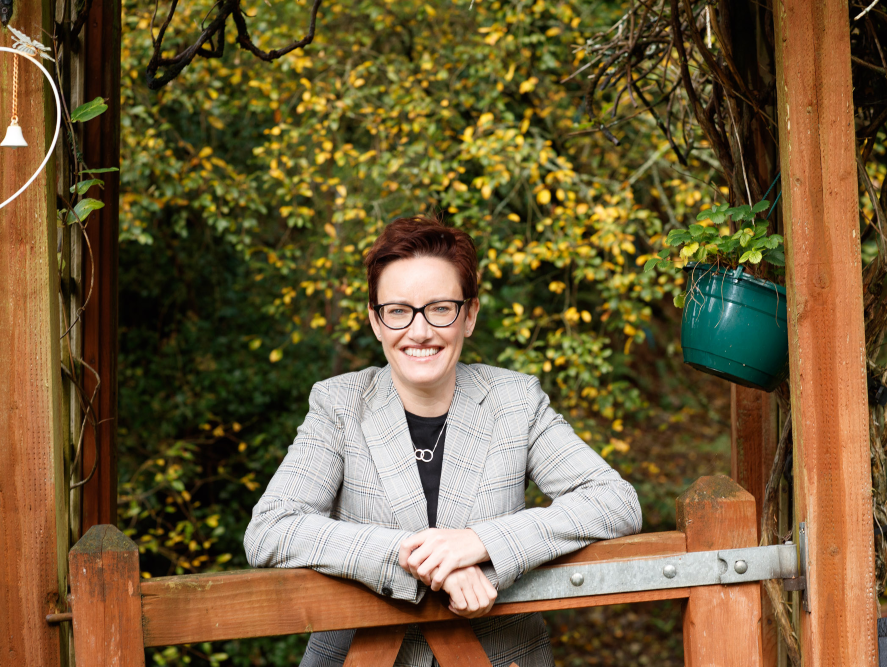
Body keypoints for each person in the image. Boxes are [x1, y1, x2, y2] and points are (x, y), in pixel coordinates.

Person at [244, 214, 642, 667]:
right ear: (375, 321)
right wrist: (414, 556)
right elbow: (270, 529)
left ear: (469, 315)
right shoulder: (338, 405)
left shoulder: (515, 401)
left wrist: (482, 543)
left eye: (439, 308)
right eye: (398, 311)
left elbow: (615, 502)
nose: (419, 331)